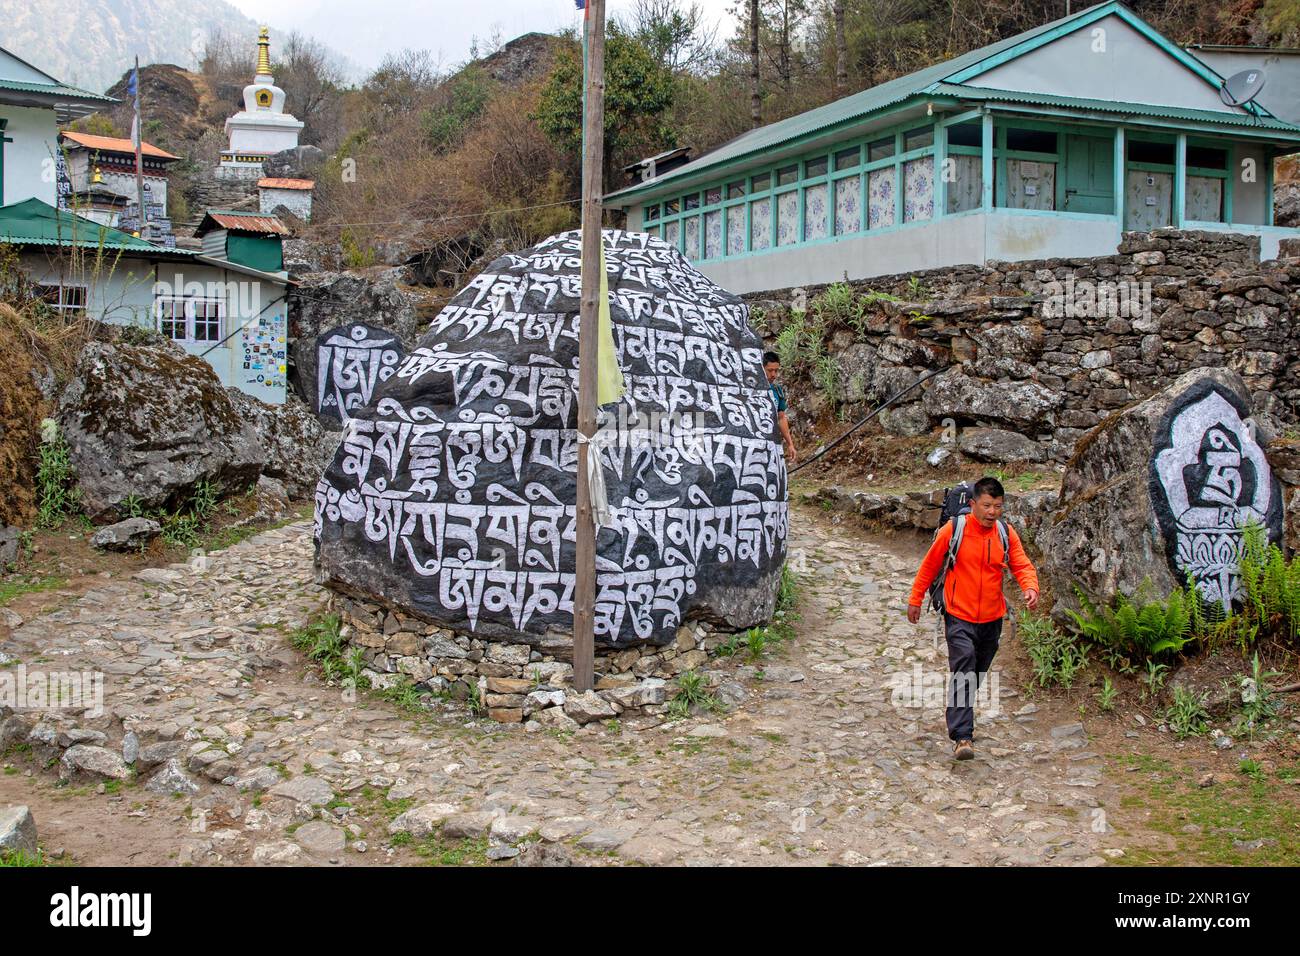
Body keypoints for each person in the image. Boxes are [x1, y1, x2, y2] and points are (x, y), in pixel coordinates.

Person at [906, 476, 1039, 761]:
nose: (992, 512)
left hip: (992, 618)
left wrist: (1030, 586)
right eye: (987, 505)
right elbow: (929, 566)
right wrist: (915, 599)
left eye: (998, 506)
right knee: (964, 666)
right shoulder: (954, 530)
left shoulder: (1005, 533)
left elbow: (1021, 562)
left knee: (975, 673)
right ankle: (962, 736)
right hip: (959, 615)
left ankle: (960, 705)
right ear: (973, 504)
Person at [763, 351, 797, 464]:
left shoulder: (777, 391)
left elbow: (781, 418)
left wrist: (790, 444)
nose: (773, 374)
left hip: (773, 442)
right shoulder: (749, 390)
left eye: (776, 370)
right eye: (770, 370)